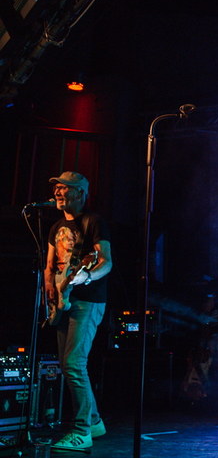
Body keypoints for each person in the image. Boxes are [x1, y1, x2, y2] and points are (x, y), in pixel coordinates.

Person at [44, 171, 112, 452]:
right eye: (57, 188)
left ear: (81, 193)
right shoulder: (56, 226)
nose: (58, 192)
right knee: (66, 364)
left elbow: (106, 261)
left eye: (65, 188)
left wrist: (88, 277)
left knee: (74, 363)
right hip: (62, 301)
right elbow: (50, 265)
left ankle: (81, 431)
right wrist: (49, 291)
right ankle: (93, 421)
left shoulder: (93, 222)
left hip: (88, 301)